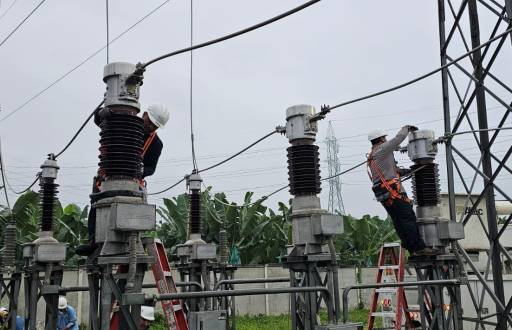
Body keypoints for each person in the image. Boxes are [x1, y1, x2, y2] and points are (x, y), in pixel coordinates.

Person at [76, 104, 170, 256]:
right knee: (96, 206)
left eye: (155, 126)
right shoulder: (125, 123)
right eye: (150, 122)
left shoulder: (156, 144)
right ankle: (93, 242)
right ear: (144, 114)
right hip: (107, 176)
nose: (150, 127)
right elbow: (98, 120)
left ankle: (131, 239)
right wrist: (102, 113)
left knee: (130, 211)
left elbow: (151, 168)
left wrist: (141, 171)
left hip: (131, 182)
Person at [367, 126, 435, 256]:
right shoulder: (382, 149)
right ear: (381, 139)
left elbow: (389, 172)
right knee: (408, 218)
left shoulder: (372, 156)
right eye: (384, 138)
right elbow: (398, 139)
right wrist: (406, 128)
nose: (386, 139)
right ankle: (420, 248)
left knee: (399, 220)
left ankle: (410, 246)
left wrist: (408, 171)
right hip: (393, 192)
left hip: (384, 194)